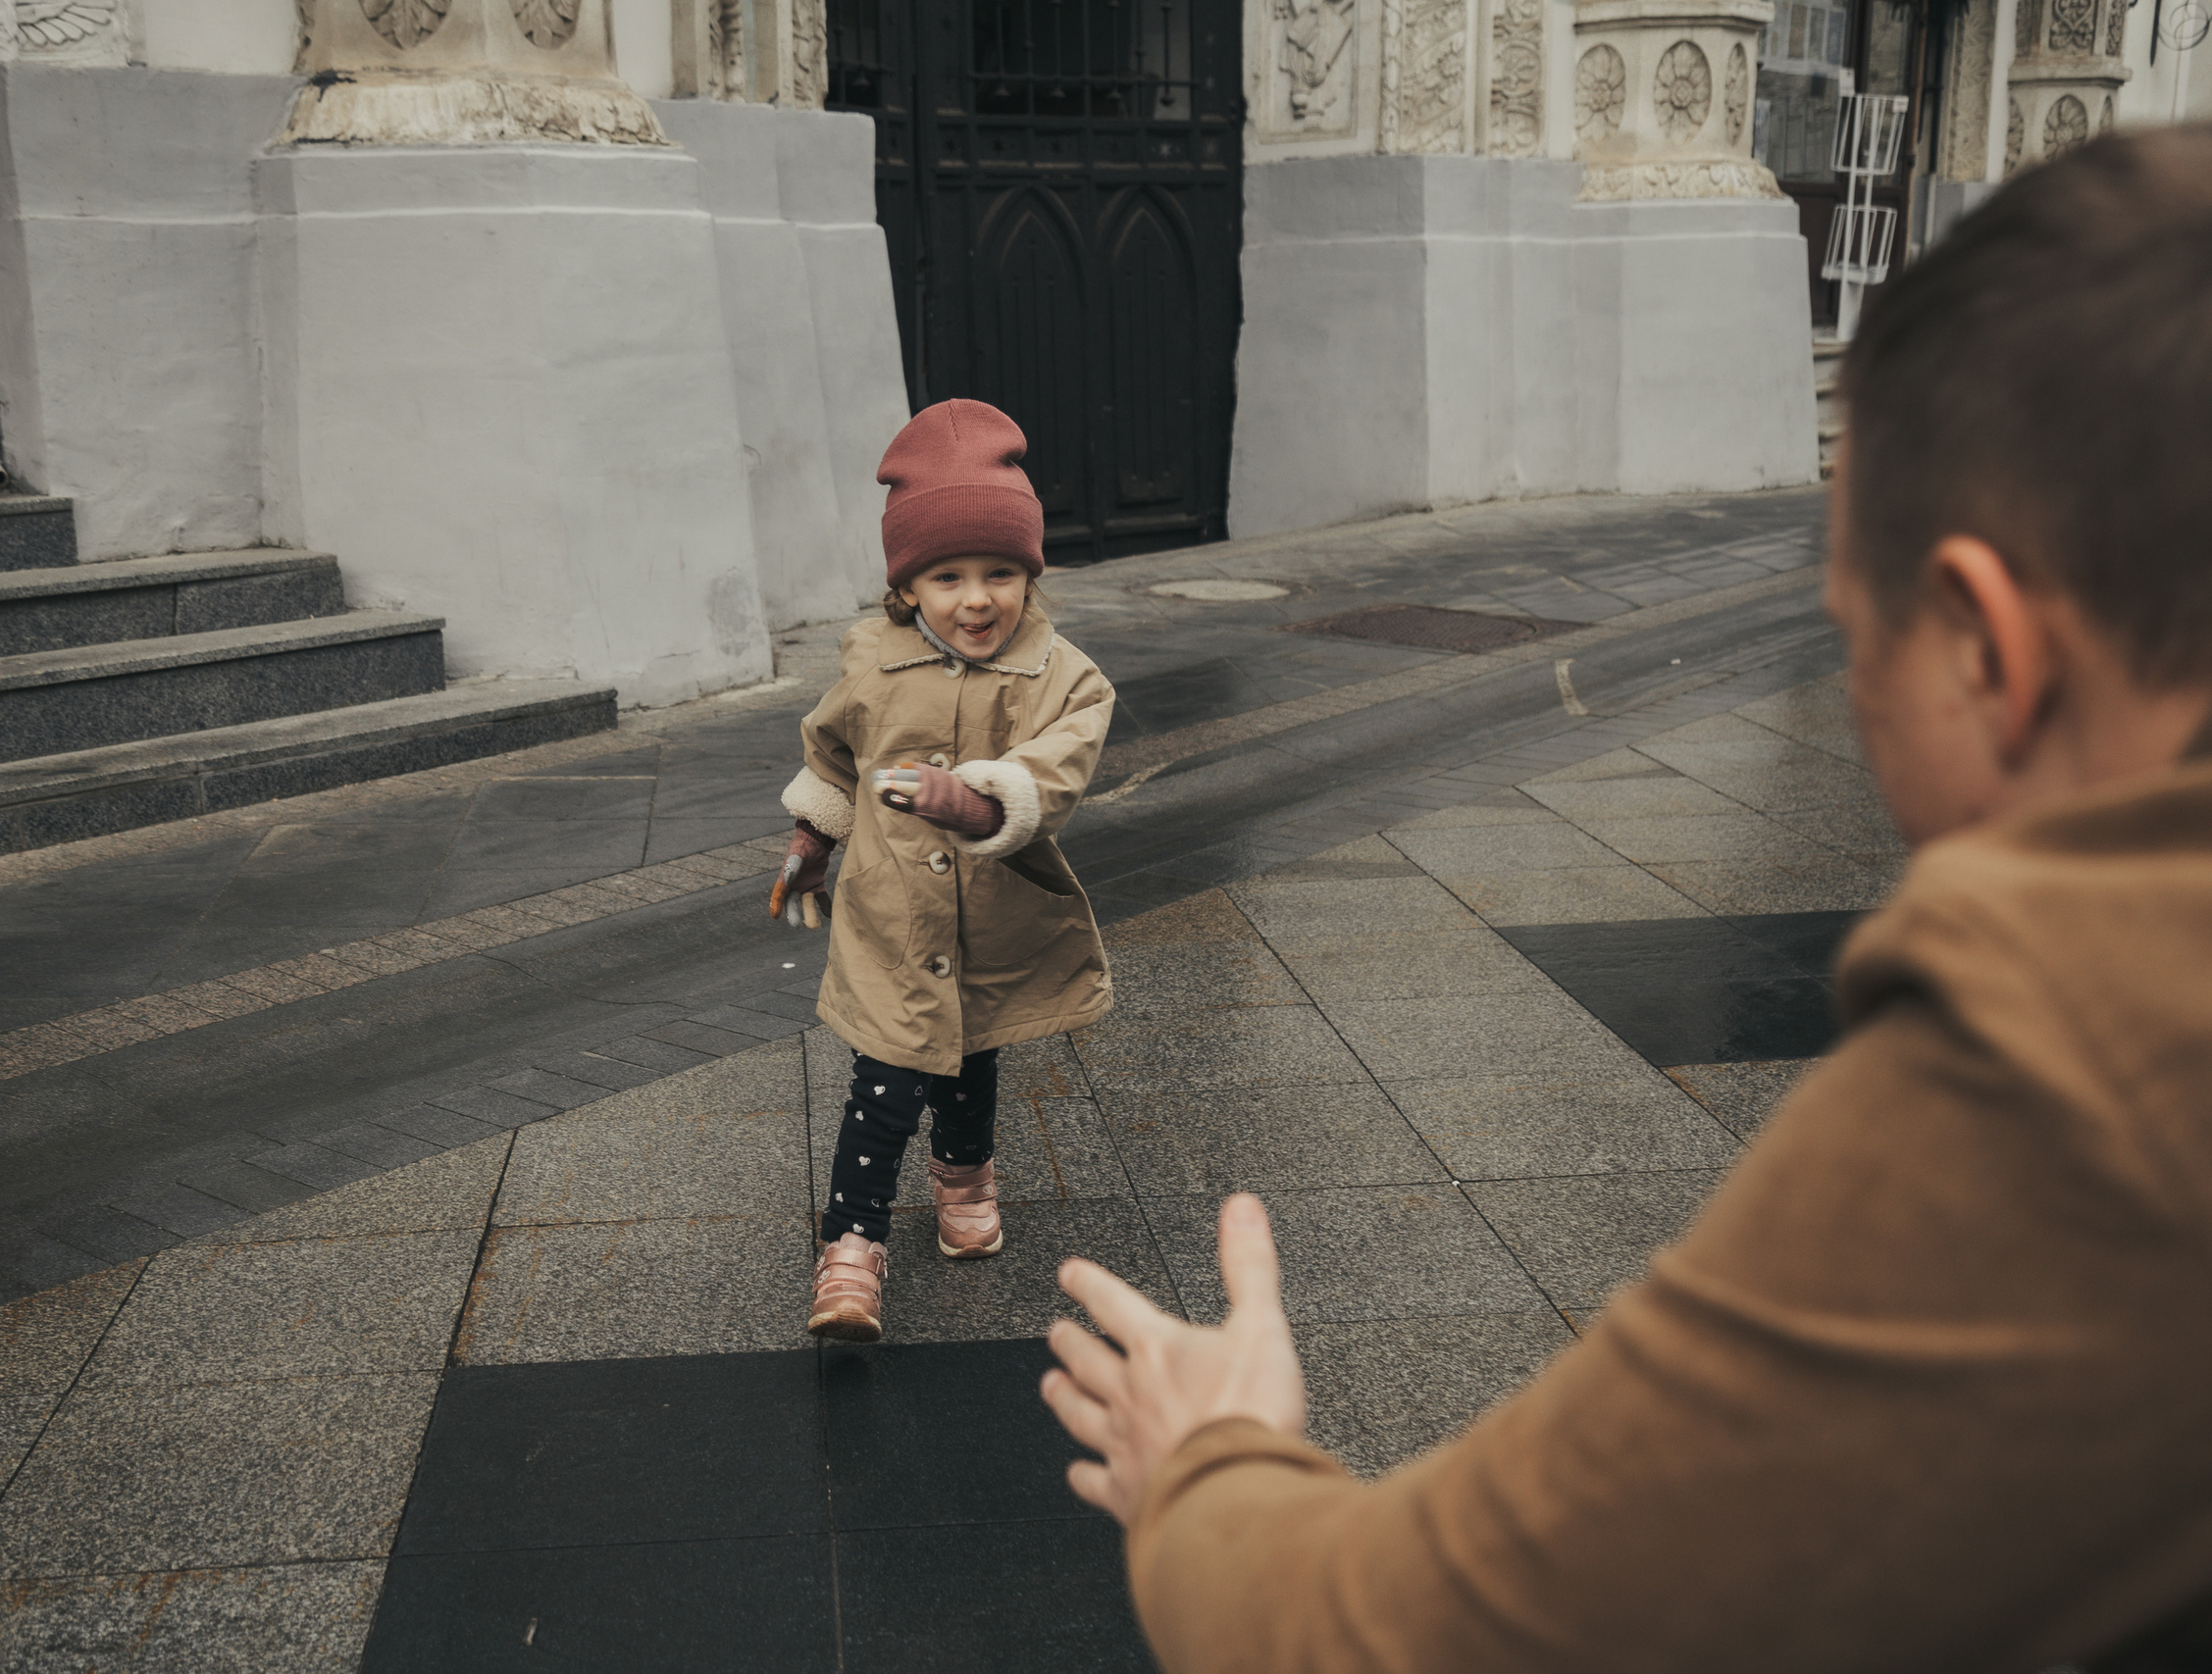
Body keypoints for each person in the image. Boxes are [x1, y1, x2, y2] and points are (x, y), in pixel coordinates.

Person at [1039, 125, 2212, 1673]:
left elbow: (1377, 1642)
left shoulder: (2081, 1078)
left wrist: (1209, 1458)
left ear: (1985, 646)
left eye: (1857, 643)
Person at [773, 397, 1115, 1343]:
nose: (977, 599)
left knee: (970, 1059)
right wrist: (812, 840)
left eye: (1001, 572)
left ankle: (964, 1179)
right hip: (892, 921)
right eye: (948, 575)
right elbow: (833, 755)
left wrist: (981, 800)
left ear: (1030, 575)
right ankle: (851, 1248)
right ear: (907, 586)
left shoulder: (1064, 676)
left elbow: (1059, 765)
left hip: (996, 917)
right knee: (885, 1081)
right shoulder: (872, 665)